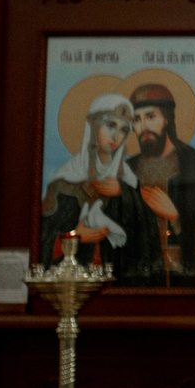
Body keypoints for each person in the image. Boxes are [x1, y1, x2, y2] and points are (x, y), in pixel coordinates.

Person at [40, 93, 156, 274]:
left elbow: (147, 237)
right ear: (93, 127)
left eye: (123, 130)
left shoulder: (128, 180)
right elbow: (42, 240)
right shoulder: (65, 179)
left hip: (119, 284)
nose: (116, 135)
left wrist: (124, 194)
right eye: (110, 125)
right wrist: (74, 238)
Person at [131, 79, 195, 283]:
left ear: (166, 119)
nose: (143, 127)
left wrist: (174, 217)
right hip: (135, 281)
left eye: (151, 117)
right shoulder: (128, 170)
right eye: (137, 120)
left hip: (183, 280)